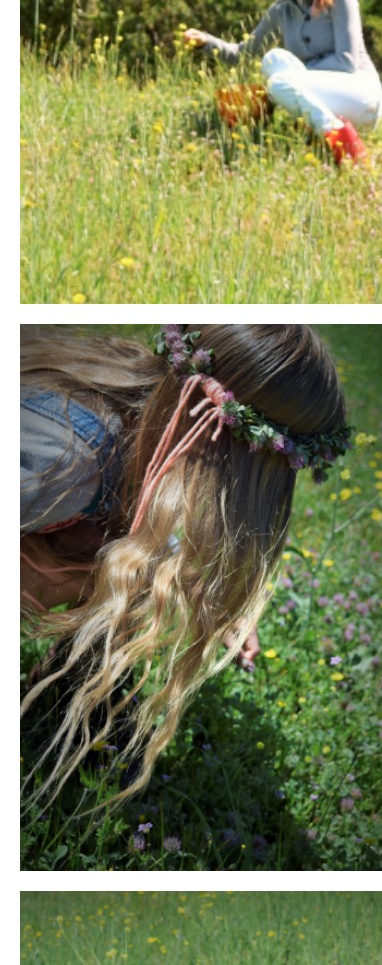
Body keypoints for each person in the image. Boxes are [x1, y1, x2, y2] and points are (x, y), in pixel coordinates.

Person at [21, 321, 351, 799]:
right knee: (126, 569)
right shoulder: (67, 458)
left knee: (138, 560)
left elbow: (152, 534)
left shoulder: (139, 417)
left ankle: (70, 704)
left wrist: (201, 585)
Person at [182, 0, 382, 164]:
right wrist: (205, 42)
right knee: (272, 58)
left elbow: (346, 62)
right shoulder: (282, 8)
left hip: (362, 96)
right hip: (325, 99)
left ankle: (342, 144)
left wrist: (283, 87)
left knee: (278, 83)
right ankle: (332, 136)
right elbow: (242, 54)